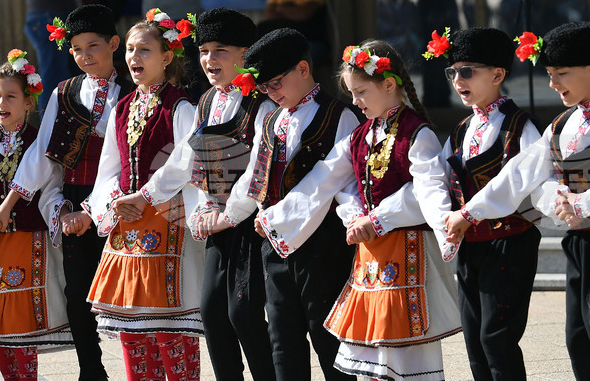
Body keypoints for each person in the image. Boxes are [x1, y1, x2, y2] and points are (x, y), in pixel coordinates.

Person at [445, 21, 590, 381]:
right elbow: (526, 174)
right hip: (580, 239)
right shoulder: (562, 123)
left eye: (561, 73)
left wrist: (582, 203)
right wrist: (558, 202)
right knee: (578, 338)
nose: (553, 83)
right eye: (550, 74)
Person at [116, 7, 278, 380]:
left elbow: (258, 167)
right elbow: (189, 160)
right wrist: (198, 207)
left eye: (220, 50)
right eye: (204, 51)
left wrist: (227, 214)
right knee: (212, 313)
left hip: (250, 222)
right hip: (217, 222)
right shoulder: (207, 101)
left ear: (244, 54)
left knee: (244, 314)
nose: (209, 59)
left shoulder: (262, 103)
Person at [206, 28, 360, 381]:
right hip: (274, 244)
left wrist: (276, 220)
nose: (271, 93)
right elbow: (255, 175)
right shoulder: (272, 118)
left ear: (303, 69)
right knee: (282, 338)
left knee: (327, 334)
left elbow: (331, 184)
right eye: (264, 87)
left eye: (276, 83)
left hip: (323, 243)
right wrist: (230, 215)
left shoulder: (340, 116)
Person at [315, 40, 462, 380]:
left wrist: (377, 219)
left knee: (407, 351)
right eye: (352, 93)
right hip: (371, 254)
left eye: (361, 92)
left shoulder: (416, 132)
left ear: (389, 84)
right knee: (373, 349)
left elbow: (426, 189)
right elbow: (341, 184)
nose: (355, 101)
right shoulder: (361, 135)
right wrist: (354, 215)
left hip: (407, 250)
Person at [10, 4, 134, 381]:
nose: (85, 55)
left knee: (128, 292)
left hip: (122, 201)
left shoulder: (133, 91)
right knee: (78, 293)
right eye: (77, 48)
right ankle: (90, 371)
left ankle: (138, 368)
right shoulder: (64, 92)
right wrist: (26, 203)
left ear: (114, 44)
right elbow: (43, 154)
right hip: (75, 199)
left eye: (93, 45)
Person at [78, 9, 204, 381]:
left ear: (166, 57)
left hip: (166, 222)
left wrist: (144, 196)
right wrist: (116, 200)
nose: (134, 56)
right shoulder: (122, 108)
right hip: (128, 226)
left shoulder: (181, 106)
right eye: (131, 49)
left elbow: (186, 160)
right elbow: (108, 167)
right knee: (132, 333)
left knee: (168, 328)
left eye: (144, 49)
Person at [428, 27, 543, 380]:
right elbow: (439, 178)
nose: (457, 80)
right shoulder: (462, 129)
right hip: (471, 244)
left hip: (509, 243)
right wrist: (444, 217)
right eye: (452, 72)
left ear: (497, 75)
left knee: (497, 338)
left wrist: (468, 212)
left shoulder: (521, 127)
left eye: (467, 71)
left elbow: (517, 182)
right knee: (475, 338)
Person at [0, 49, 75, 380]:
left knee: (23, 320)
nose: (2, 103)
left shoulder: (39, 140)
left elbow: (51, 183)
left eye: (10, 96)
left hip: (31, 239)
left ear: (28, 102)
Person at [21, 0, 80, 112]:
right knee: (55, 79)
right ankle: (51, 123)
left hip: (53, 16)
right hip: (49, 18)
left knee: (74, 79)